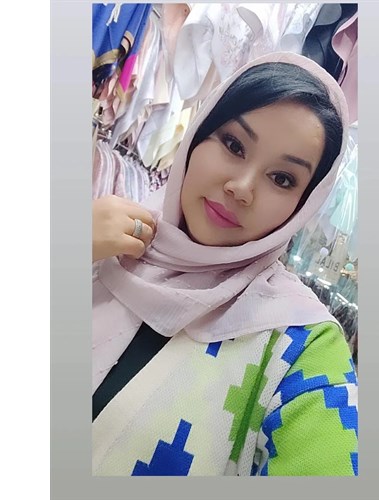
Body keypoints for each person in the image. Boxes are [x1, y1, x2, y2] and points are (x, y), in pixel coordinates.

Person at [92, 52, 358, 476]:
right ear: (199, 135)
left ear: (303, 205)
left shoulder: (301, 346)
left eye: (282, 178)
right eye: (234, 145)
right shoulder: (104, 241)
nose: (242, 188)